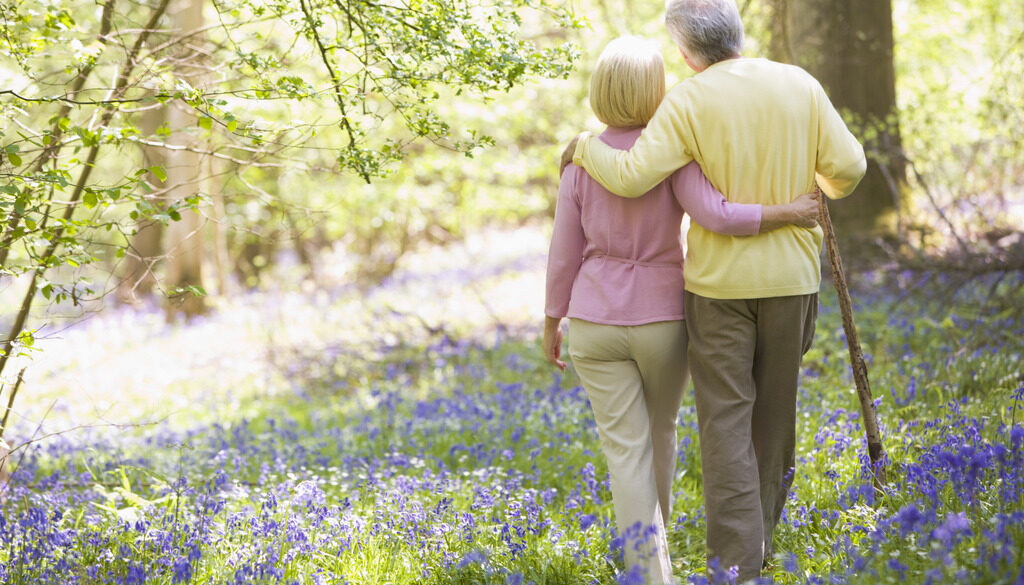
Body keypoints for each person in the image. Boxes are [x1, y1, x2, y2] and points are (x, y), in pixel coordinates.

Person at [561, 1, 867, 582]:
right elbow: (849, 172)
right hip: (791, 281)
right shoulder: (799, 84)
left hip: (717, 289)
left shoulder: (687, 101)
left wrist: (582, 146)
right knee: (775, 420)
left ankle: (735, 567)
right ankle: (760, 544)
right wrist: (807, 177)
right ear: (739, 33)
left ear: (683, 52)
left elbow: (630, 176)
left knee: (724, 423)